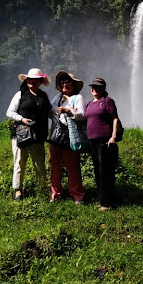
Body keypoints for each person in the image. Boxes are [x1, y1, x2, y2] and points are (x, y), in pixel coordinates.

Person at [6, 68, 52, 200]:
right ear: (26, 81)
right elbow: (10, 112)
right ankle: (18, 191)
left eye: (35, 80)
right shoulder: (20, 94)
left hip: (38, 134)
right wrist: (22, 119)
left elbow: (50, 112)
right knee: (19, 161)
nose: (32, 82)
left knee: (39, 163)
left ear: (40, 81)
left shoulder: (44, 96)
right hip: (21, 134)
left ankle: (42, 190)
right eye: (30, 80)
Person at [49, 71, 86, 205]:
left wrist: (68, 111)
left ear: (74, 85)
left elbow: (82, 114)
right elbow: (49, 111)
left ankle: (77, 195)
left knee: (73, 166)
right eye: (63, 82)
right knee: (55, 166)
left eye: (68, 81)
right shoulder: (57, 98)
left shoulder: (78, 98)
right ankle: (55, 194)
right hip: (56, 136)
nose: (65, 84)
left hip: (71, 136)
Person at [85, 78, 119, 211]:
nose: (94, 89)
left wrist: (113, 136)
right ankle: (101, 200)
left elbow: (115, 118)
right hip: (92, 140)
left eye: (97, 87)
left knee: (106, 171)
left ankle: (107, 203)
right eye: (93, 86)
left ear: (103, 88)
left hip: (104, 140)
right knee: (97, 170)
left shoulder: (107, 101)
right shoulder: (89, 103)